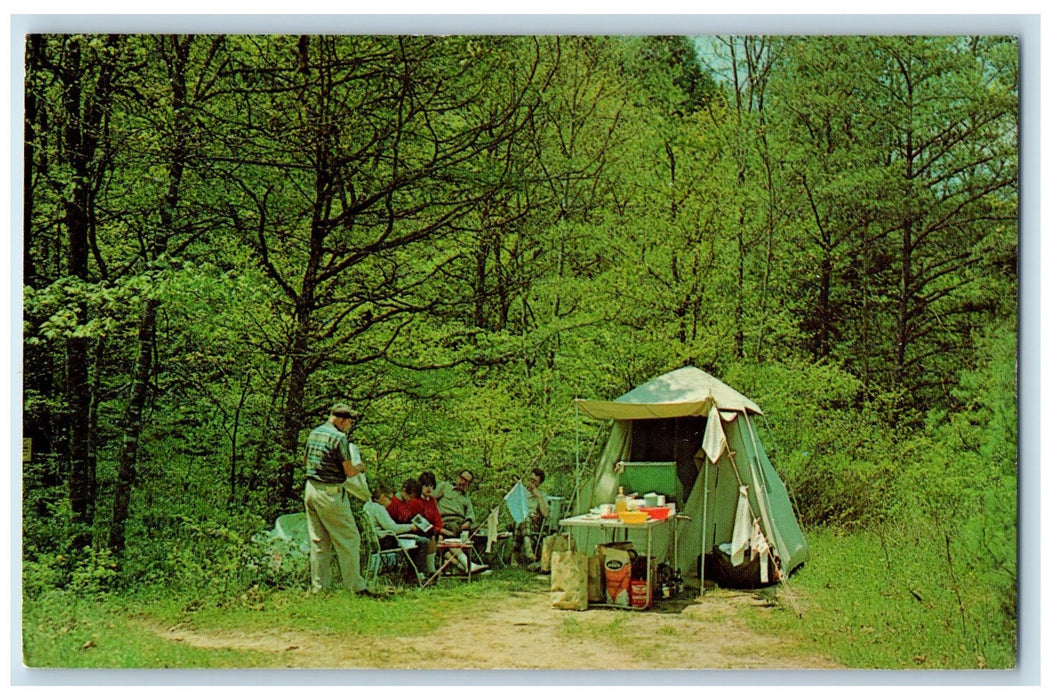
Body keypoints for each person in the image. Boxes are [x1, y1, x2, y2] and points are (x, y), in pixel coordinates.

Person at [302, 403, 381, 598]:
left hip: (311, 489)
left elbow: (305, 460)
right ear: (342, 420)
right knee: (349, 539)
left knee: (319, 542)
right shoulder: (339, 438)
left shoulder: (314, 433)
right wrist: (361, 467)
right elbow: (349, 471)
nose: (350, 426)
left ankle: (319, 588)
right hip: (331, 493)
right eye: (350, 422)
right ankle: (356, 586)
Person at [363, 484, 428, 580]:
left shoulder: (367, 505)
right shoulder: (379, 508)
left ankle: (412, 574)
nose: (391, 502)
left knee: (413, 540)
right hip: (385, 541)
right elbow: (393, 528)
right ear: (382, 497)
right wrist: (411, 527)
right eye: (390, 499)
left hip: (375, 541)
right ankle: (417, 575)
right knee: (422, 541)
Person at [512, 467, 550, 569]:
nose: (532, 483)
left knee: (524, 519)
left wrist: (539, 497)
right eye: (531, 480)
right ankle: (528, 548)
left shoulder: (542, 495)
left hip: (534, 523)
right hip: (521, 521)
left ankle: (515, 555)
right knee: (523, 517)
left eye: (535, 481)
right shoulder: (523, 491)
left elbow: (545, 514)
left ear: (539, 483)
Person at [434, 469, 478, 540]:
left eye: (467, 481)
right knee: (453, 527)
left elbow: (470, 513)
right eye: (462, 479)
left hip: (461, 522)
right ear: (458, 478)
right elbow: (431, 499)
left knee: (478, 528)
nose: (463, 482)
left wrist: (468, 521)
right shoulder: (445, 486)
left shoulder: (466, 498)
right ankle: (452, 546)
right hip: (447, 520)